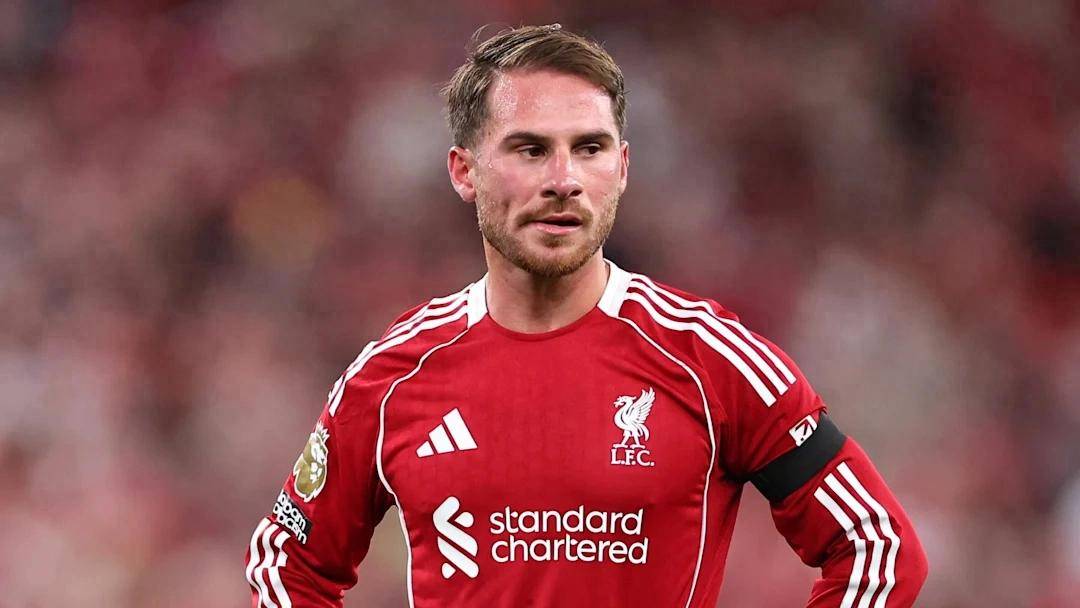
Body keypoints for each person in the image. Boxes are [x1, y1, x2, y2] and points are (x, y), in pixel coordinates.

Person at [245, 24, 928, 608]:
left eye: (590, 148)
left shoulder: (708, 357)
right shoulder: (393, 376)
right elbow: (287, 565)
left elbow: (877, 545)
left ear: (622, 168)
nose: (563, 180)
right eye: (530, 149)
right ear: (464, 171)